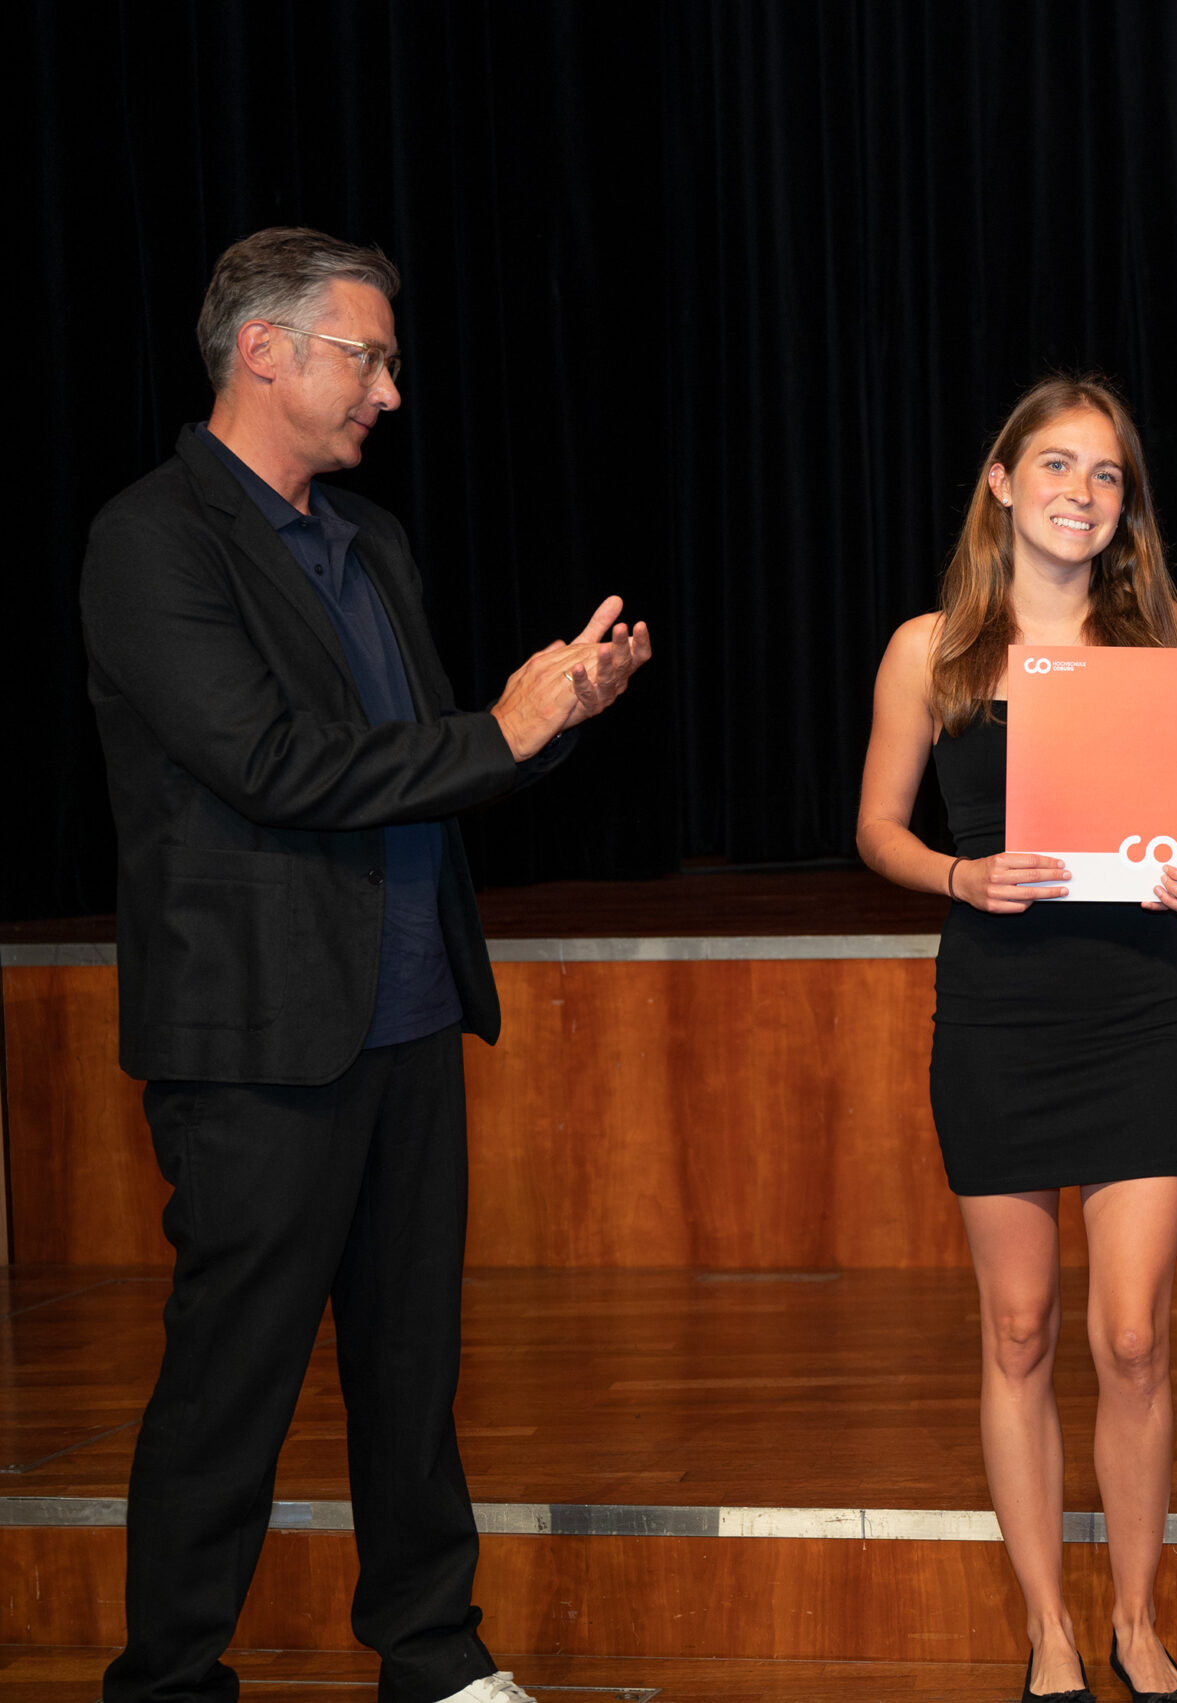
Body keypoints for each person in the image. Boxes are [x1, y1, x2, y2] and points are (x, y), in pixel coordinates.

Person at [79, 227, 652, 1703]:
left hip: (403, 1019)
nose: (388, 391)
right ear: (262, 352)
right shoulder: (153, 538)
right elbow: (269, 764)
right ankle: (171, 1680)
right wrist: (500, 731)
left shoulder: (369, 541)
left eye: (387, 360)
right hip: (258, 1042)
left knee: (413, 1374)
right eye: (367, 354)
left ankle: (435, 1659)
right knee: (232, 1388)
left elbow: (417, 769)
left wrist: (555, 714)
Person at [855, 376, 1177, 1703]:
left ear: (1126, 507)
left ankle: (1134, 1617)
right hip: (999, 1013)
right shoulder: (929, 647)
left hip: (1135, 1011)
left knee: (1132, 1338)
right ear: (1002, 481)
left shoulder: (1154, 638)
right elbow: (879, 830)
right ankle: (1049, 1630)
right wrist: (958, 876)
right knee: (1017, 1329)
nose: (1080, 492)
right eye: (1055, 466)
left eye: (1107, 474)